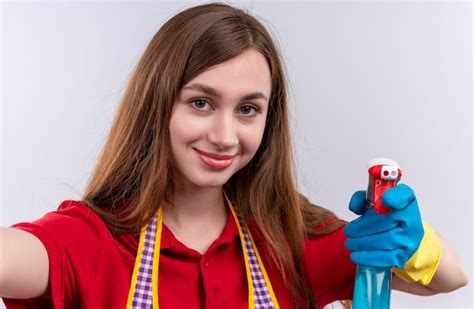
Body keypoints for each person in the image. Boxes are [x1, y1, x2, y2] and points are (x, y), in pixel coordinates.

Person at [0, 2, 468, 308]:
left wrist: (412, 240)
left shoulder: (292, 242)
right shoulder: (91, 241)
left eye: (247, 109)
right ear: (157, 105)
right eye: (200, 102)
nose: (225, 136)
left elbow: (451, 277)